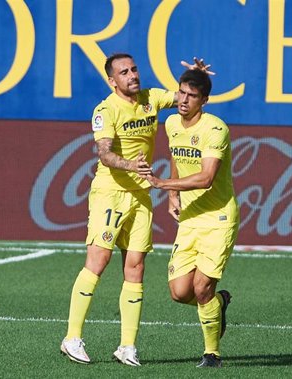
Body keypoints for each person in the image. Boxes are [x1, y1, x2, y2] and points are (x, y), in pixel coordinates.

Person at [60, 53, 212, 367]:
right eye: (123, 72)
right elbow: (104, 154)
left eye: (134, 69)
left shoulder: (151, 99)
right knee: (98, 259)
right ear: (111, 80)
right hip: (110, 193)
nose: (132, 75)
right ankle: (72, 337)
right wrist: (131, 164)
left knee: (135, 267)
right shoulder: (105, 110)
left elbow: (188, 99)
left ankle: (127, 347)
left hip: (141, 195)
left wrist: (196, 77)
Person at [146, 69, 239, 368]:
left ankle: (212, 354)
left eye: (192, 96)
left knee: (201, 288)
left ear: (205, 101)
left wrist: (163, 185)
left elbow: (207, 178)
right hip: (190, 217)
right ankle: (218, 303)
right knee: (179, 292)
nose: (184, 100)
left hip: (218, 217)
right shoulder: (171, 122)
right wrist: (174, 195)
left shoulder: (216, 129)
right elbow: (176, 153)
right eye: (182, 93)